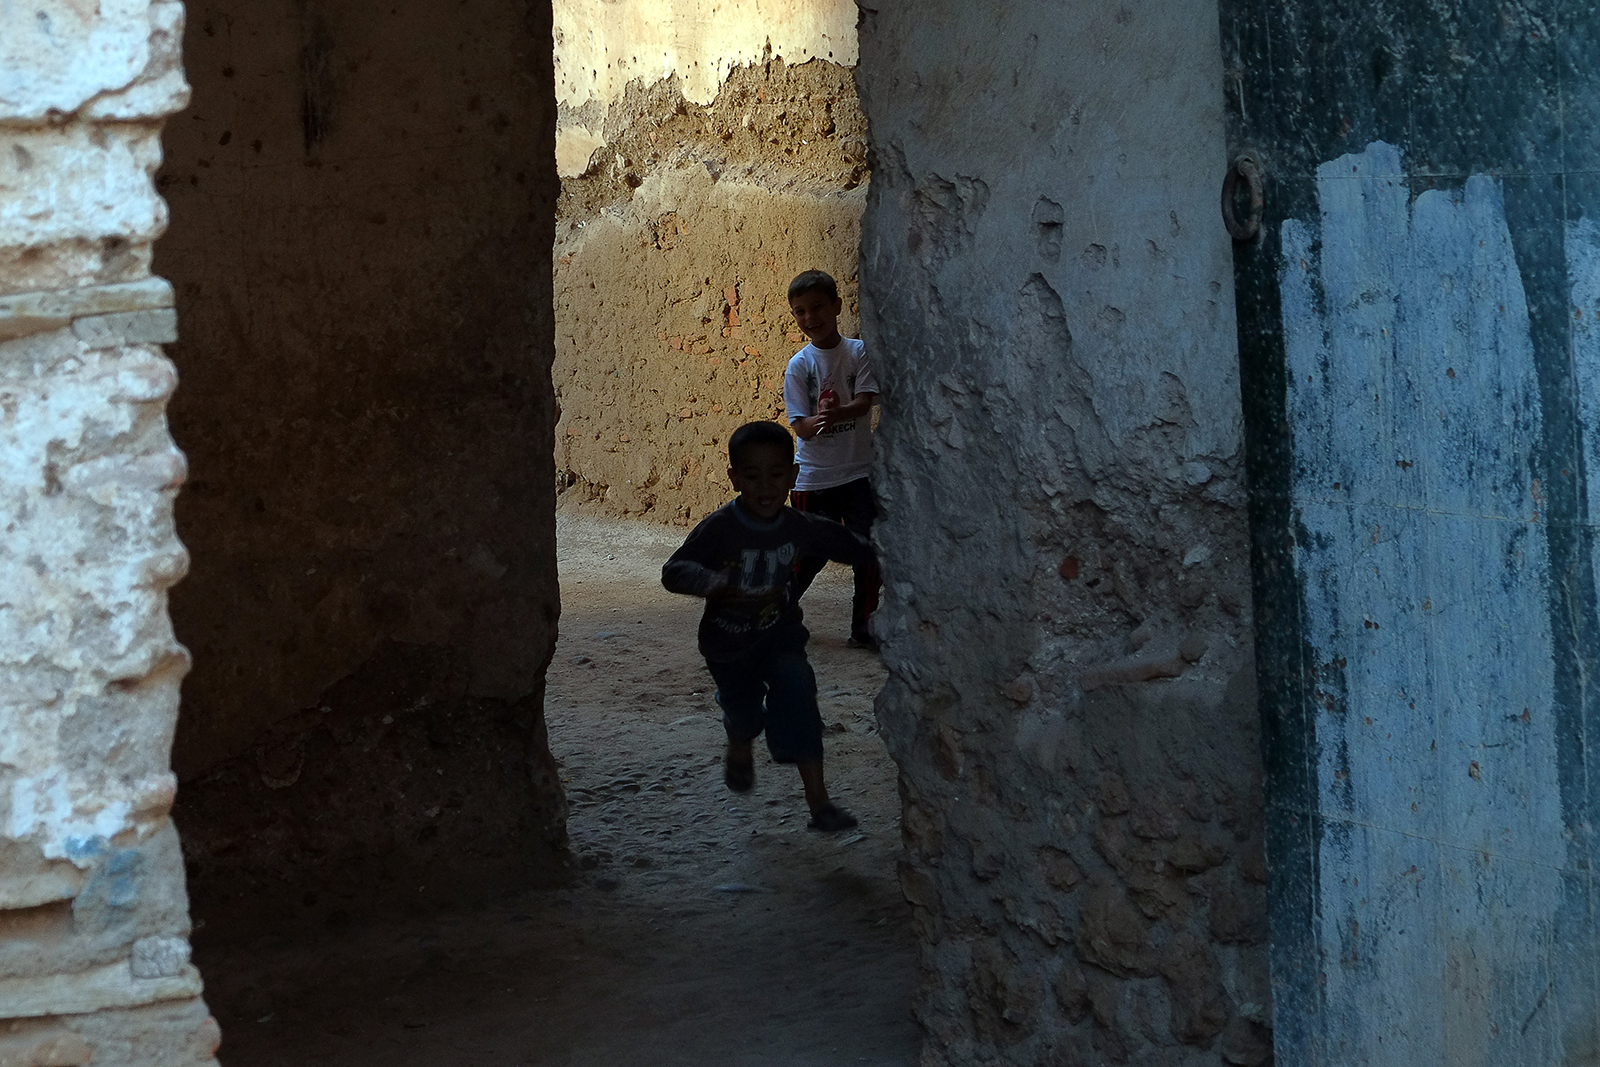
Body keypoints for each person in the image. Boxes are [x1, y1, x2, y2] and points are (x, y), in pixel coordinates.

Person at [661, 420, 872, 832]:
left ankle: (819, 804)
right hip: (729, 647)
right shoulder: (721, 528)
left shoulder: (797, 526)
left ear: (793, 476)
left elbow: (848, 545)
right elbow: (673, 570)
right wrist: (712, 583)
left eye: (777, 474)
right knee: (743, 714)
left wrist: (889, 546)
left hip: (780, 637)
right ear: (734, 477)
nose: (765, 486)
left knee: (799, 696)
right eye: (752, 476)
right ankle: (740, 744)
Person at [783, 269, 883, 650]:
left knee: (869, 552)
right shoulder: (799, 366)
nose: (811, 319)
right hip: (815, 479)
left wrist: (839, 414)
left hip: (858, 474)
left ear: (838, 306)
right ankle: (773, 615)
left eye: (818, 308)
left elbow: (864, 402)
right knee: (808, 555)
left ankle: (865, 627)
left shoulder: (858, 354)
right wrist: (820, 420)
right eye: (800, 312)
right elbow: (801, 427)